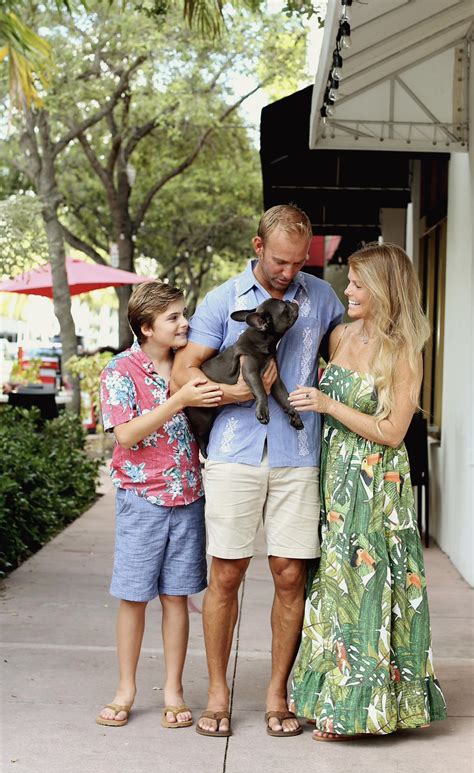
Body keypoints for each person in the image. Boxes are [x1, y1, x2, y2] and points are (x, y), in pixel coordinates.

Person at [171, 204, 344, 736]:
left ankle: (277, 695)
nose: (290, 273)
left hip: (298, 454)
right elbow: (183, 369)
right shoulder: (224, 300)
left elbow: (350, 352)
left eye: (298, 263)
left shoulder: (322, 298)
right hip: (233, 451)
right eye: (281, 262)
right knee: (227, 573)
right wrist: (237, 393)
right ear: (258, 246)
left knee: (291, 575)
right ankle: (219, 695)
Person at [288, 242, 447, 740]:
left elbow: (393, 431)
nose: (348, 291)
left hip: (377, 486)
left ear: (382, 289)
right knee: (333, 585)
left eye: (357, 283)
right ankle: (330, 699)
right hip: (335, 480)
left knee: (368, 588)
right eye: (349, 281)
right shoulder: (338, 336)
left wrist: (329, 406)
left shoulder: (403, 351)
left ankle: (361, 710)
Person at [96, 281, 222, 729]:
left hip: (188, 498)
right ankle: (125, 689)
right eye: (173, 317)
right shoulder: (120, 370)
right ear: (146, 328)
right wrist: (180, 400)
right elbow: (127, 435)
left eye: (183, 313)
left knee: (176, 596)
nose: (185, 322)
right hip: (142, 500)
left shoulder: (189, 366)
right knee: (133, 597)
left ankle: (173, 689)